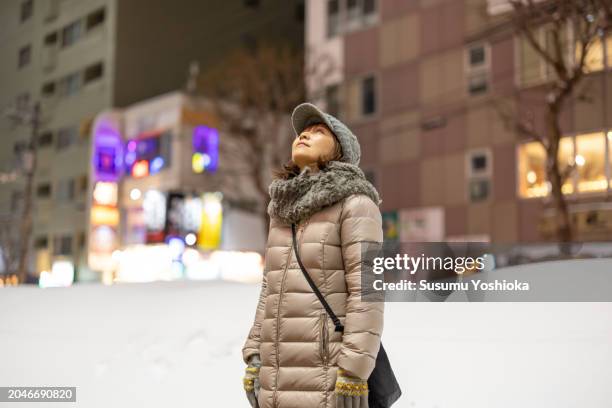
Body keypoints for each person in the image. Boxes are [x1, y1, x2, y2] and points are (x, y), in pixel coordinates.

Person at [242, 102, 384, 408]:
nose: (303, 136)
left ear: (340, 151)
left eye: (318, 132)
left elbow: (368, 290)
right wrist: (254, 354)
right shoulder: (281, 212)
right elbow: (269, 288)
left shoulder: (357, 205)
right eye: (302, 132)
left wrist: (354, 371)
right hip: (275, 377)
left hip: (327, 374)